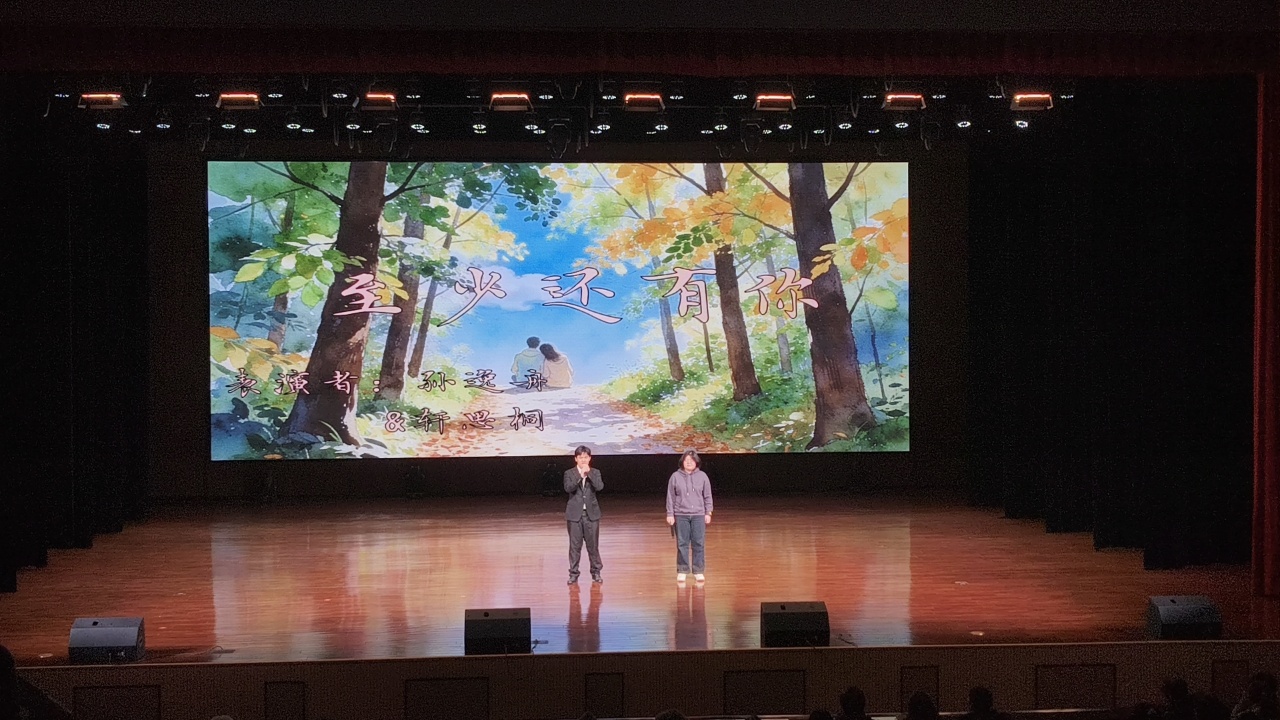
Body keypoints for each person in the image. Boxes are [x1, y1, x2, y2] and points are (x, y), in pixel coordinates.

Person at [665, 448, 713, 583]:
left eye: (691, 460)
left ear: (696, 462)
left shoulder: (702, 476)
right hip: (681, 514)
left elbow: (707, 496)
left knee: (698, 543)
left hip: (698, 514)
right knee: (682, 544)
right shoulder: (675, 476)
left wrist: (708, 512)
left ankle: (698, 571)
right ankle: (682, 570)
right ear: (682, 462)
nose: (689, 462)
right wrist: (670, 513)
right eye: (686, 460)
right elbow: (670, 496)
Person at [565, 445, 603, 584]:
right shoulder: (569, 473)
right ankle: (573, 574)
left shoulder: (595, 472)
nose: (583, 460)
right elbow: (568, 488)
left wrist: (589, 474)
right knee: (575, 547)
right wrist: (580, 476)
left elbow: (599, 486)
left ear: (589, 458)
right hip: (575, 515)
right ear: (576, 459)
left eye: (585, 457)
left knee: (593, 546)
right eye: (580, 457)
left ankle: (596, 573)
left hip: (591, 515)